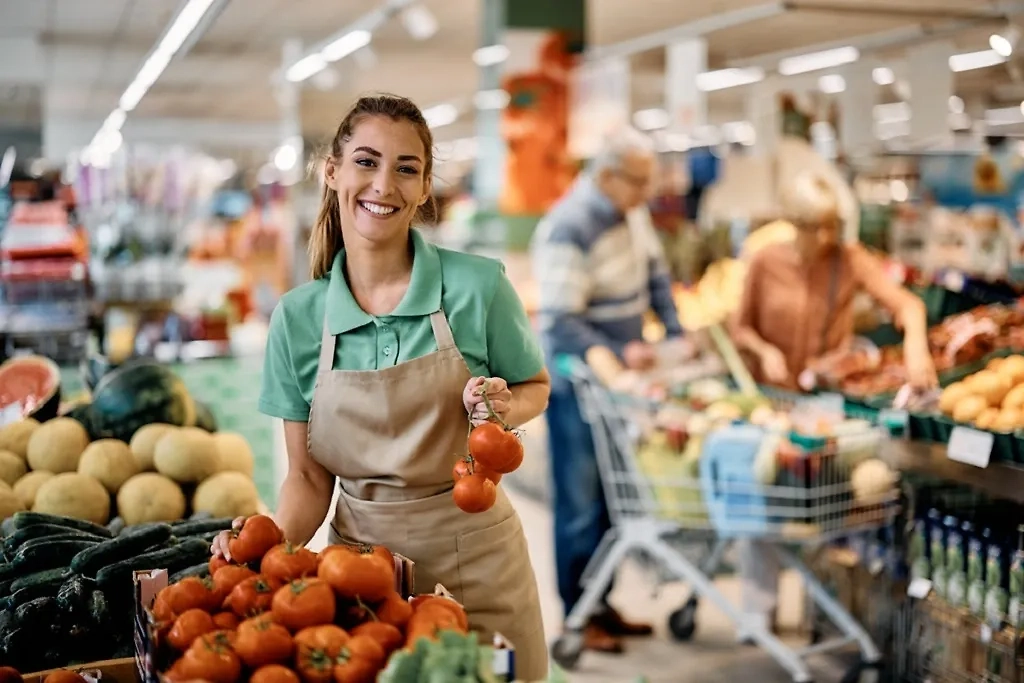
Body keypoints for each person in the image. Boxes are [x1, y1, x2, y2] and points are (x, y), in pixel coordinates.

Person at [212, 94, 550, 680]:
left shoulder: (478, 287)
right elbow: (308, 478)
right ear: (333, 172)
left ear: (424, 190)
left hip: (480, 562)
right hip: (358, 578)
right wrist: (263, 555)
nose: (384, 184)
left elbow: (535, 386)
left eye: (407, 168)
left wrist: (501, 403)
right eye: (367, 162)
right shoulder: (297, 319)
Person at [729, 170, 937, 636]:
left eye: (829, 225)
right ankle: (758, 610)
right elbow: (738, 327)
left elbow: (908, 306)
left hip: (826, 410)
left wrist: (916, 347)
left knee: (826, 505)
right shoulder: (763, 261)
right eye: (812, 226)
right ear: (792, 222)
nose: (823, 237)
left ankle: (818, 608)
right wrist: (766, 351)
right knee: (764, 502)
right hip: (773, 405)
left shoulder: (847, 259)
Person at [530, 126, 684, 654]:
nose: (648, 193)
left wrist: (674, 334)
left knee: (611, 504)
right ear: (606, 176)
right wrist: (620, 353)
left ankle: (602, 601)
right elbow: (560, 321)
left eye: (650, 182)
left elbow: (656, 279)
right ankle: (577, 612)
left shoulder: (631, 213)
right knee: (579, 500)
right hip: (580, 385)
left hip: (620, 385)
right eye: (638, 182)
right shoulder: (568, 227)